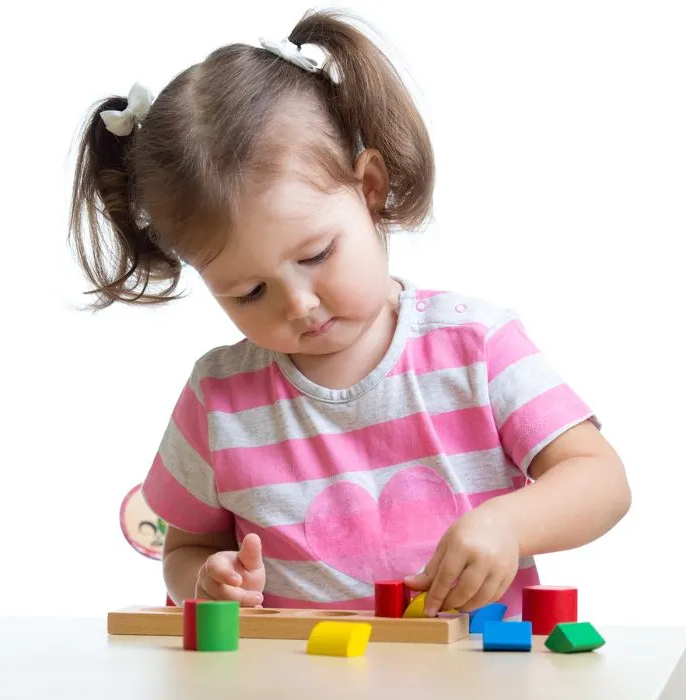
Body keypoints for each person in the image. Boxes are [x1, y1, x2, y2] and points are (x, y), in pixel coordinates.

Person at [68, 8, 631, 619]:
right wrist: (207, 582)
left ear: (369, 188)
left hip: (475, 679)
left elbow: (601, 481)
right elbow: (186, 549)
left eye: (315, 254)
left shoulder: (475, 347)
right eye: (248, 292)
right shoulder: (218, 400)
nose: (299, 304)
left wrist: (507, 524)